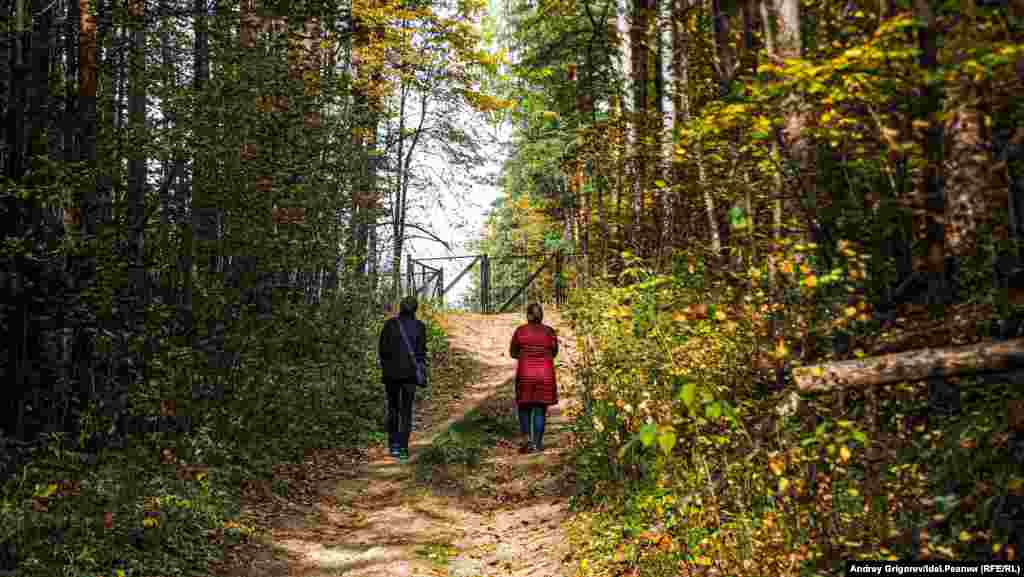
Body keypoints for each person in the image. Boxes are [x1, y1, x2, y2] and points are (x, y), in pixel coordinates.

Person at [379, 296, 428, 462]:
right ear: (415, 309)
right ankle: (403, 449)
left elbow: (382, 350)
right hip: (410, 375)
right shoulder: (420, 327)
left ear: (401, 307)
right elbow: (421, 353)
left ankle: (392, 446)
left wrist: (387, 368)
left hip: (391, 375)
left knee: (393, 409)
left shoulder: (390, 325)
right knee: (406, 411)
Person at [510, 303, 558, 453]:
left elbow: (513, 352)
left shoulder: (520, 331)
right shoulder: (549, 332)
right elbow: (554, 352)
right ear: (541, 315)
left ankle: (527, 441)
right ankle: (537, 444)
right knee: (540, 409)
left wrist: (524, 356)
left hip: (525, 375)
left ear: (528, 315)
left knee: (524, 408)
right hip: (545, 375)